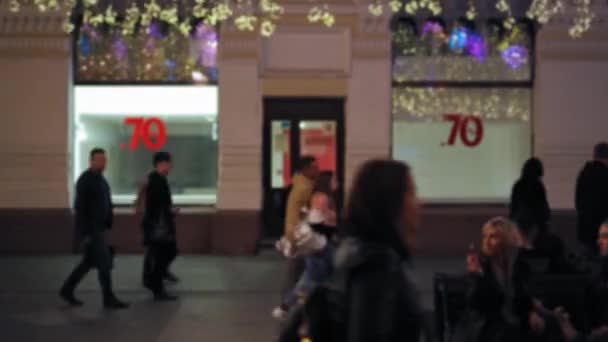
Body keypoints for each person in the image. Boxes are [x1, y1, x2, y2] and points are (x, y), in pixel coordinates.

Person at [59, 148, 129, 309]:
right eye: (99, 160)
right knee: (104, 264)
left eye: (104, 160)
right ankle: (108, 298)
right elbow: (80, 208)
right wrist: (86, 233)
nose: (103, 163)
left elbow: (105, 202)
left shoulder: (100, 179)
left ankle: (67, 289)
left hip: (100, 229)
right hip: (92, 230)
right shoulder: (85, 180)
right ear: (91, 161)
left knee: (88, 263)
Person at [272, 171, 338, 319]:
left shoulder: (318, 196)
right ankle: (290, 307)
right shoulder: (323, 198)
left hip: (318, 245)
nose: (336, 183)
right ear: (327, 182)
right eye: (334, 180)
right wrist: (332, 220)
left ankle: (287, 306)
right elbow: (317, 220)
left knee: (315, 278)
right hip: (319, 245)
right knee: (313, 279)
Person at [278, 156, 319, 308]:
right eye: (314, 167)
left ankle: (289, 302)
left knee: (297, 271)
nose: (317, 169)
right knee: (301, 272)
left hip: (294, 233)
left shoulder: (300, 183)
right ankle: (289, 304)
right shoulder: (305, 188)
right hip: (299, 235)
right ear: (306, 169)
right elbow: (304, 213)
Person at [141, 152, 179, 301]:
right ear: (161, 164)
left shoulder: (156, 179)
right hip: (159, 226)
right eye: (168, 163)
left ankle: (152, 280)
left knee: (158, 254)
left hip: (156, 225)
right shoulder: (157, 181)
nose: (170, 166)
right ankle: (156, 286)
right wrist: (169, 212)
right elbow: (157, 206)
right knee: (164, 254)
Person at [576, 143, 608, 257]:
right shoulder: (605, 174)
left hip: (585, 227)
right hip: (603, 228)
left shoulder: (584, 173)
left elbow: (578, 202)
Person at [509, 157, 551, 237]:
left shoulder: (518, 185)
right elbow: (542, 205)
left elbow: (514, 204)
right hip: (537, 223)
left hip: (521, 221)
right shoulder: (538, 186)